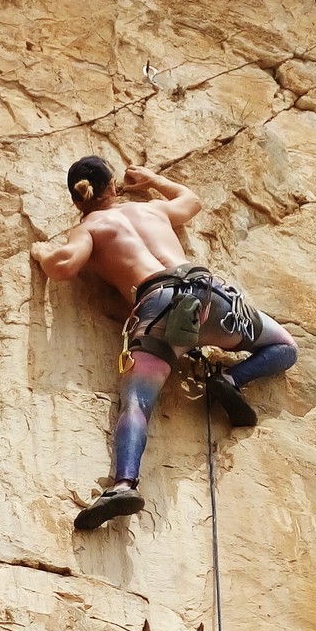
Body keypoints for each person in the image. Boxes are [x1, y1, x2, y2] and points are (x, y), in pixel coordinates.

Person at [31, 155, 298, 530]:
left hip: (158, 309)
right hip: (209, 299)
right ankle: (231, 380)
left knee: (137, 402)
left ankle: (123, 485)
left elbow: (64, 267)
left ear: (78, 199)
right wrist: (152, 179)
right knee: (284, 346)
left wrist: (42, 252)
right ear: (113, 187)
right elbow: (191, 201)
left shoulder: (89, 228)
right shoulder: (151, 209)